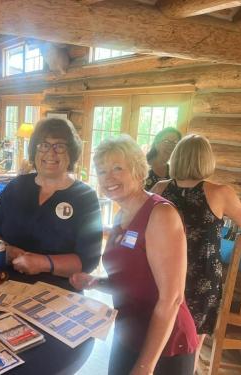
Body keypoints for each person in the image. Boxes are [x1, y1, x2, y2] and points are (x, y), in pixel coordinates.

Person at [70, 135, 198, 375]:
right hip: (128, 333)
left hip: (165, 344)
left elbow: (172, 298)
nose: (109, 177)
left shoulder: (160, 215)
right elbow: (131, 281)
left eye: (118, 168)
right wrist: (95, 282)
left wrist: (145, 365)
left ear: (139, 171)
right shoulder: (121, 216)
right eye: (102, 170)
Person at [151, 134, 241, 369]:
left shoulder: (160, 188)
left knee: (158, 332)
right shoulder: (220, 192)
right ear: (206, 160)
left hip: (162, 273)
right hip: (202, 277)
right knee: (192, 340)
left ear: (177, 157)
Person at [0, 118, 102, 277]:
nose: (50, 153)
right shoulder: (16, 186)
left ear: (71, 153)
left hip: (58, 292)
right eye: (44, 145)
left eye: (60, 146)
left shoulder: (85, 198)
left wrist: (42, 263)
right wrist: (5, 249)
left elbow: (88, 261)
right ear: (34, 150)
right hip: (4, 281)